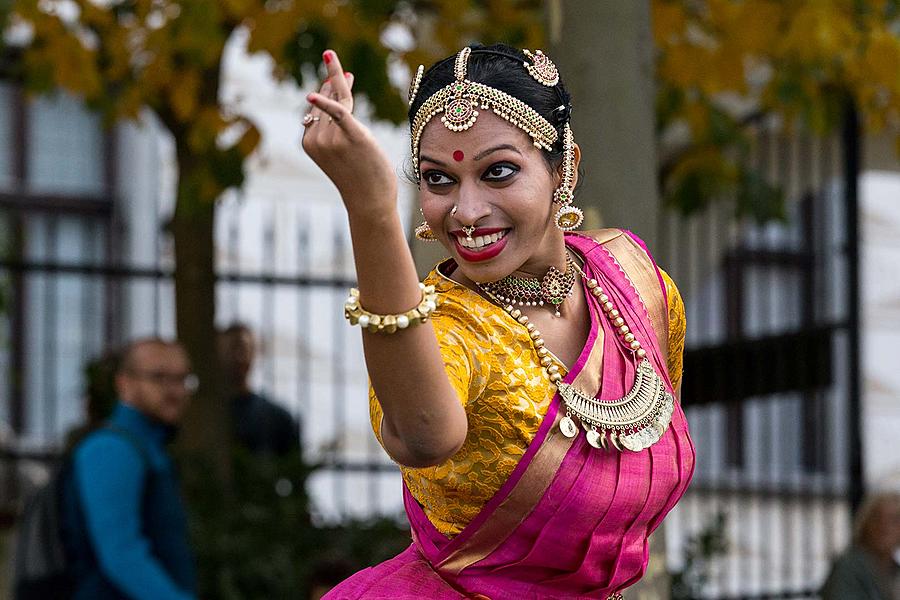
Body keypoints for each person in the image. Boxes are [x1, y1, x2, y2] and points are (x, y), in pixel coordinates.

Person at [301, 43, 694, 598]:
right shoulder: (449, 329)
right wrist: (370, 207)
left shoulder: (632, 281)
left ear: (565, 168)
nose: (466, 210)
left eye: (499, 172)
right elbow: (422, 437)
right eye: (439, 180)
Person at [60, 338, 198, 600]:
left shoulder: (148, 447)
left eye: (182, 379)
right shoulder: (112, 449)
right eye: (159, 377)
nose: (174, 390)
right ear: (124, 383)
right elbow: (121, 553)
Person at [219, 323, 301, 457]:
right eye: (230, 349)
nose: (238, 357)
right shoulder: (198, 415)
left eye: (244, 349)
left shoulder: (279, 418)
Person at [821, 491, 900, 600]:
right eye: (877, 518)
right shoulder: (849, 567)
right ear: (866, 524)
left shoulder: (893, 569)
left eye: (894, 520)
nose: (884, 527)